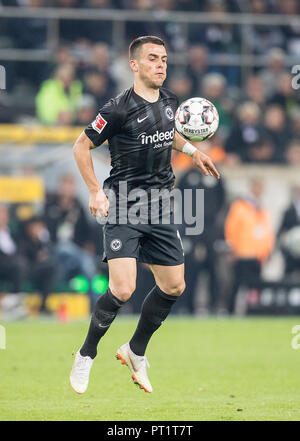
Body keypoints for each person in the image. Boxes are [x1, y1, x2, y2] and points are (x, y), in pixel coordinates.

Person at [69, 35, 220, 394]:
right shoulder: (117, 109)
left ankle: (135, 350)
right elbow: (81, 145)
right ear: (134, 65)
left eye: (164, 59)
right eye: (153, 59)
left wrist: (192, 151)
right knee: (123, 288)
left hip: (160, 205)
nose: (161, 65)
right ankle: (86, 353)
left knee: (174, 285)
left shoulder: (171, 101)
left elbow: (169, 134)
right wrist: (94, 191)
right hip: (124, 203)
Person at [224, 179, 274, 314]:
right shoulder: (240, 206)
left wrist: (267, 251)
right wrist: (232, 248)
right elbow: (231, 229)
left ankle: (253, 311)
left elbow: (266, 231)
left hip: (257, 254)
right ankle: (230, 310)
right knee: (237, 284)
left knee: (255, 286)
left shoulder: (261, 208)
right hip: (242, 253)